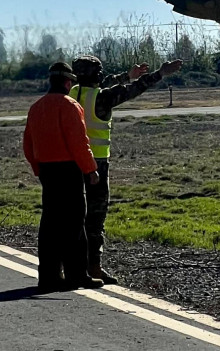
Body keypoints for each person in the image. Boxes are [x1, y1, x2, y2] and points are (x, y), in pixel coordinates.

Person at [70, 53, 183, 284]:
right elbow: (136, 88)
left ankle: (72, 265)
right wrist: (161, 73)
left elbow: (102, 84)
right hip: (97, 164)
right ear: (98, 75)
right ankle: (94, 266)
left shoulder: (73, 94)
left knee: (74, 215)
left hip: (73, 163)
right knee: (96, 217)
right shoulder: (101, 98)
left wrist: (125, 76)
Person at [22, 61, 104, 292]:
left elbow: (28, 145)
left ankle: (48, 277)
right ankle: (77, 275)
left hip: (47, 172)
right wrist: (90, 169)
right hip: (69, 171)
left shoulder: (36, 108)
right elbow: (79, 143)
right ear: (68, 82)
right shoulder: (70, 106)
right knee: (75, 225)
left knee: (49, 225)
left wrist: (39, 169)